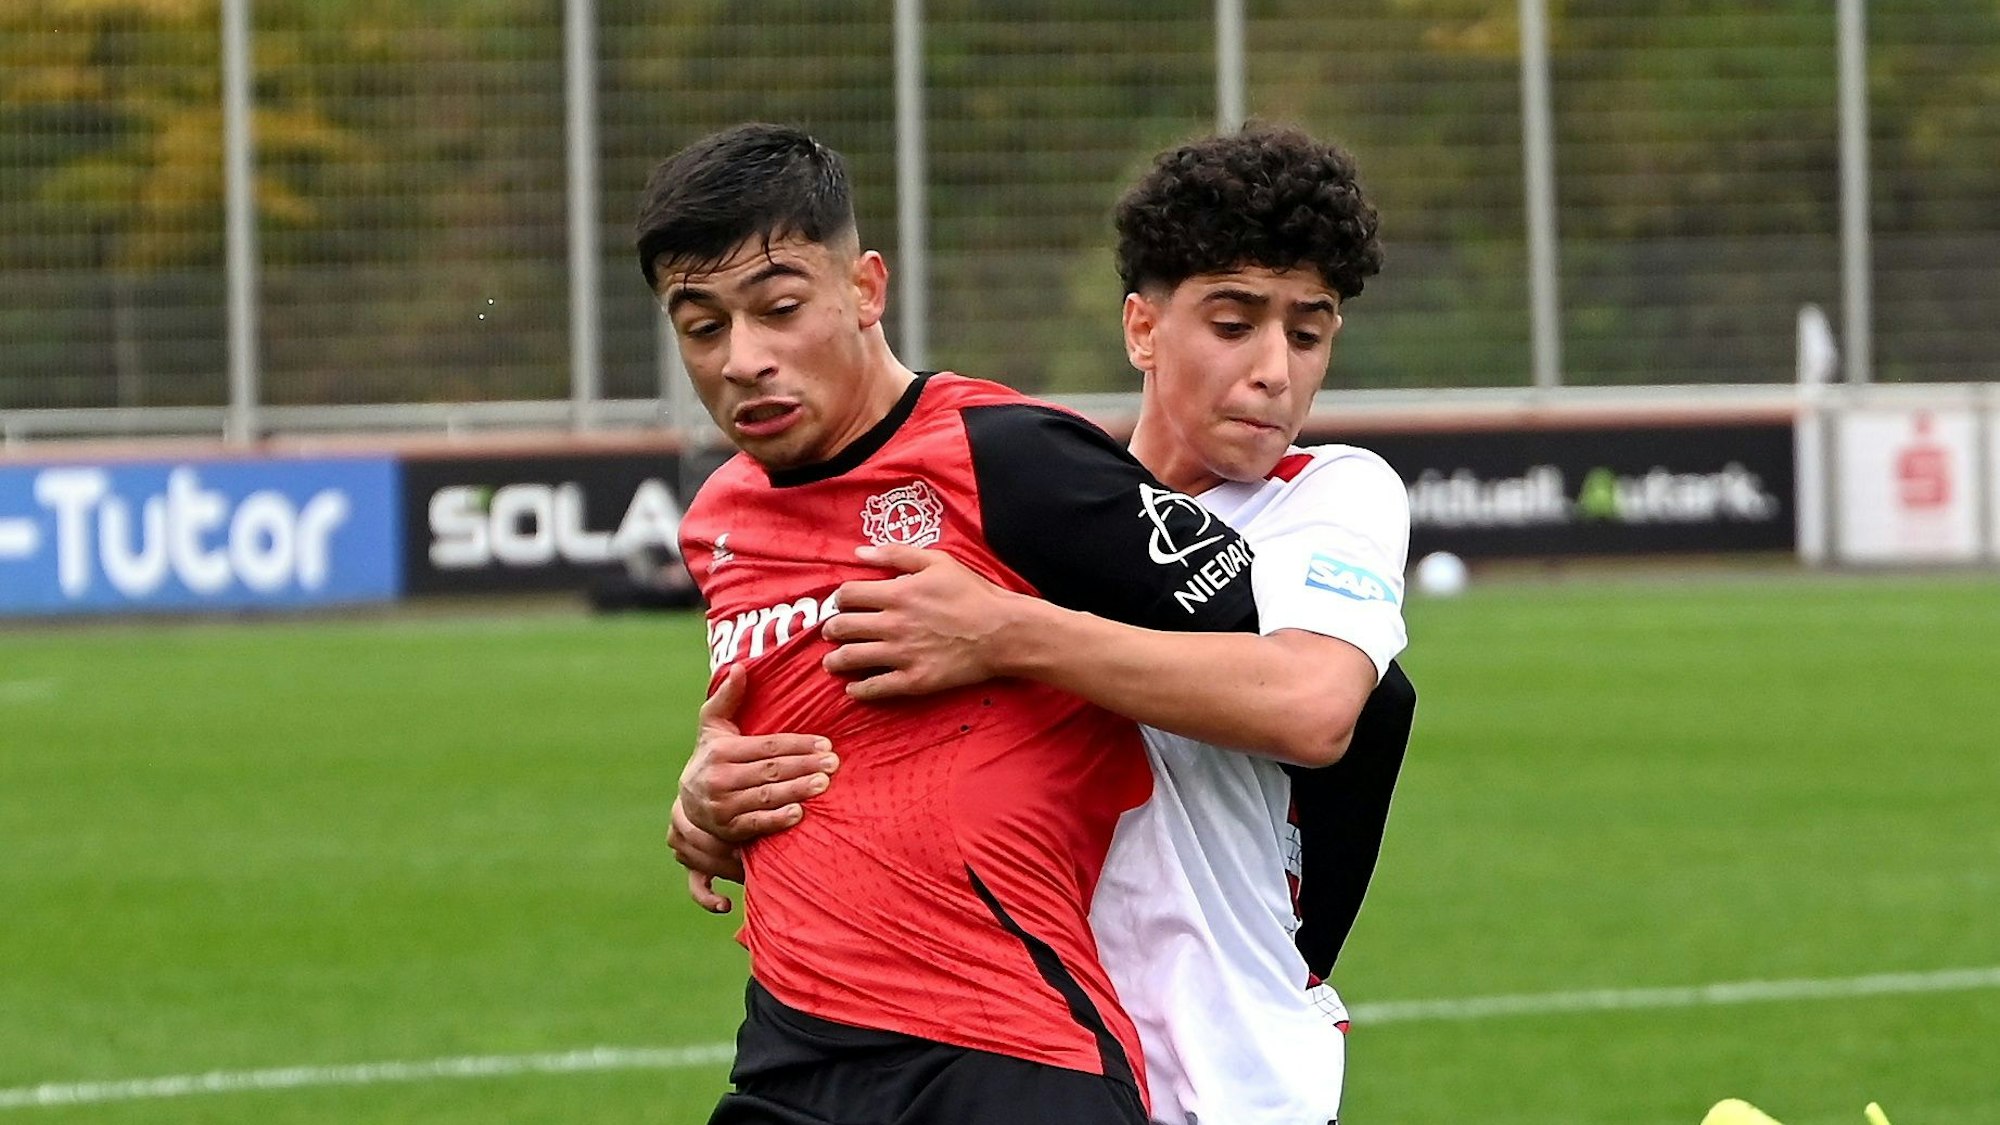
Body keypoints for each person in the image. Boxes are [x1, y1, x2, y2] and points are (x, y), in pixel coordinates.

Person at [673, 126, 1418, 1125]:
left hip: (1226, 1076)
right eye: (1233, 324)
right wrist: (711, 794)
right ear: (1141, 330)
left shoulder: (1325, 498)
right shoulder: (1028, 495)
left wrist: (1008, 632)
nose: (1274, 371)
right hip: (1018, 1048)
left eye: (1308, 331)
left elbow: (1320, 709)